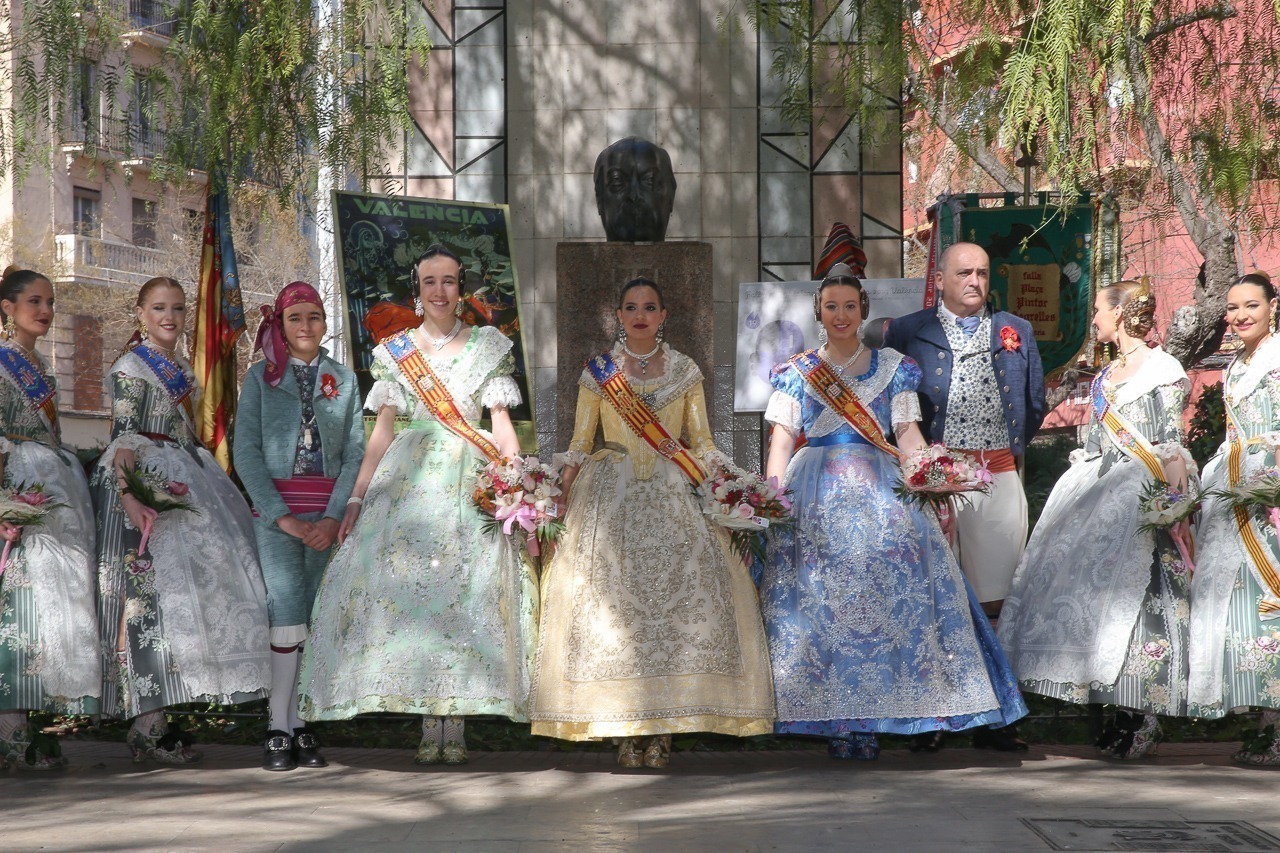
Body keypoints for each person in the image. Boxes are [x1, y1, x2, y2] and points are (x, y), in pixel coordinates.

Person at [760, 264, 1027, 761]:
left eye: (850, 305)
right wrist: (773, 498)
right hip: (815, 494)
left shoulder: (893, 367)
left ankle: (893, 709)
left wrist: (929, 475)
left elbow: (907, 437)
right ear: (819, 312)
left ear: (863, 310)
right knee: (822, 607)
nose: (841, 315)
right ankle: (836, 718)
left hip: (883, 494)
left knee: (892, 600)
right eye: (831, 306)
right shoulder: (796, 372)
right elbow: (780, 443)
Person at [297, 246, 535, 767]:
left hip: (470, 476)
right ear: (416, 289)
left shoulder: (490, 345)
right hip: (407, 482)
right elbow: (380, 435)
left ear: (462, 288)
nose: (439, 291)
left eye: (449, 281)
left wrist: (515, 485)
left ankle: (458, 722)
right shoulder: (395, 350)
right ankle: (430, 722)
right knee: (410, 596)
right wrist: (358, 496)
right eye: (430, 281)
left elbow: (501, 427)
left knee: (464, 594)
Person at [529, 277, 775, 769]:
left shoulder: (685, 370)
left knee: (678, 613)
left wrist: (725, 483)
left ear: (664, 316)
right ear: (618, 316)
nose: (640, 314)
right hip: (609, 492)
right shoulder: (599, 373)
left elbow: (701, 441)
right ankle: (623, 727)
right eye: (630, 307)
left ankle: (665, 732)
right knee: (612, 613)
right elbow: (580, 441)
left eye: (649, 307)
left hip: (674, 491)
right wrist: (558, 494)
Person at [998, 280, 1192, 759]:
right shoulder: (1107, 376)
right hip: (1094, 494)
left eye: (1100, 312)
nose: (1095, 322)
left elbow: (1169, 441)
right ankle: (1113, 707)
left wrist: (1175, 502)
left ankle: (1143, 713)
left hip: (1140, 495)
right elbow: (1094, 444)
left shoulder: (1163, 370)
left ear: (1123, 314)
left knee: (1138, 606)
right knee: (1091, 604)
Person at [94, 276, 270, 764]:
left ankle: (159, 719)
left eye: (176, 308)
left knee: (185, 609)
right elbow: (124, 440)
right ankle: (147, 724)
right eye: (157, 308)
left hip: (186, 477)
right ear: (140, 314)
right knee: (151, 607)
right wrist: (131, 499)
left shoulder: (176, 366)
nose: (168, 317)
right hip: (147, 489)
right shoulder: (132, 367)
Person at [885, 241, 1045, 751]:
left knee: (995, 599)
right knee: (937, 596)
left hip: (997, 474)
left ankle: (996, 717)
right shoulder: (909, 331)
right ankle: (935, 715)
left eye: (982, 272)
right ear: (940, 277)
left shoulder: (1015, 330)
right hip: (935, 482)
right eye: (964, 272)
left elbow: (1034, 403)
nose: (974, 281)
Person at [234, 282, 365, 772]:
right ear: (281, 326)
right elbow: (244, 449)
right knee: (284, 610)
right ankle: (277, 725)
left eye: (314, 316)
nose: (306, 326)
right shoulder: (260, 378)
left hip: (326, 518)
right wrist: (280, 515)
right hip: (278, 517)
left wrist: (333, 518)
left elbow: (355, 451)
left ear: (325, 323)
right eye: (295, 318)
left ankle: (302, 720)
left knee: (312, 614)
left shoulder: (344, 379)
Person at [0, 268, 100, 770]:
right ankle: (11, 734)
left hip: (54, 490)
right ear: (7, 308)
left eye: (51, 302)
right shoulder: (0, 365)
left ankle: (22, 728)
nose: (45, 311)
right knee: (17, 607)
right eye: (34, 301)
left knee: (46, 609)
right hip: (19, 491)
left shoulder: (43, 369)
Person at [1189, 272, 1280, 764]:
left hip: (1270, 489)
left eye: (1251, 305)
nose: (1240, 315)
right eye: (1232, 308)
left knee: (1272, 602)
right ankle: (1265, 721)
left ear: (1272, 307)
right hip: (1233, 483)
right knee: (1241, 609)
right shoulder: (1235, 365)